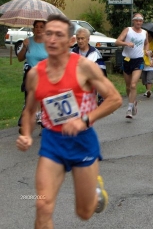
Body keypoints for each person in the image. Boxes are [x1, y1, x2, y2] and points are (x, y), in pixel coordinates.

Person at [16, 14, 122, 227]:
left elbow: (114, 99)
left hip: (82, 142)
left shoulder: (84, 67)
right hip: (52, 143)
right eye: (49, 34)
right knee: (42, 205)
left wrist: (84, 120)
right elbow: (29, 111)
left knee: (84, 212)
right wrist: (26, 134)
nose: (53, 39)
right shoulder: (36, 74)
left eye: (59, 35)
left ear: (70, 41)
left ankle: (96, 192)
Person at [115, 13, 149, 118]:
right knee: (128, 86)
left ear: (142, 22)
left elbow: (146, 43)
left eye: (140, 21)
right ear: (133, 21)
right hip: (127, 60)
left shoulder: (144, 32)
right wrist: (127, 43)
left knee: (134, 85)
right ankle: (133, 101)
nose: (138, 22)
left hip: (138, 60)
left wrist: (146, 51)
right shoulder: (128, 30)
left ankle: (129, 109)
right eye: (136, 20)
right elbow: (117, 42)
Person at [17, 20, 48, 128]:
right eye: (36, 27)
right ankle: (30, 116)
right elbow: (20, 58)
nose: (39, 29)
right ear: (33, 29)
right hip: (30, 74)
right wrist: (24, 46)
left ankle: (41, 116)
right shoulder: (28, 41)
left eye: (41, 27)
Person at [72, 27, 108, 106]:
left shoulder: (95, 53)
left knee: (90, 114)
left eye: (82, 38)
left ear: (88, 39)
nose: (80, 41)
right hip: (75, 89)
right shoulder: (72, 53)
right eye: (78, 39)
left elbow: (102, 73)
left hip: (91, 89)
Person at [141, 31, 153, 98]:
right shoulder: (143, 43)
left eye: (149, 36)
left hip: (151, 64)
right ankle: (147, 90)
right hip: (143, 63)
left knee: (149, 78)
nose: (148, 38)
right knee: (144, 79)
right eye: (147, 36)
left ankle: (149, 91)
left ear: (152, 37)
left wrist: (151, 53)